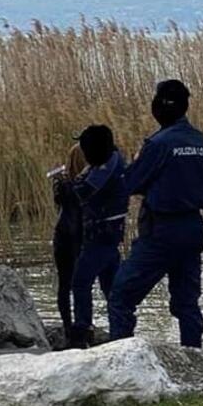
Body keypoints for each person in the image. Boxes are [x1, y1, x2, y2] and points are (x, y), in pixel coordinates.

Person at [108, 79, 203, 348]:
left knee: (121, 296)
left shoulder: (159, 143)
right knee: (186, 302)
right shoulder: (201, 141)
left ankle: (122, 362)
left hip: (162, 230)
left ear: (160, 105)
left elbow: (130, 183)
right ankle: (195, 359)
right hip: (193, 228)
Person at [66, 125, 129, 348]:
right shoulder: (111, 160)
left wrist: (68, 188)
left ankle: (82, 333)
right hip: (107, 235)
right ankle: (120, 334)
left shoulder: (106, 166)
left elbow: (86, 190)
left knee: (81, 282)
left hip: (102, 234)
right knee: (111, 287)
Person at [51, 142, 86, 341]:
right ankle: (84, 326)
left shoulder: (63, 184)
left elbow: (59, 202)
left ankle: (68, 329)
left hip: (63, 235)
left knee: (64, 285)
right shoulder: (91, 182)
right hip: (82, 235)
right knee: (84, 284)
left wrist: (57, 180)